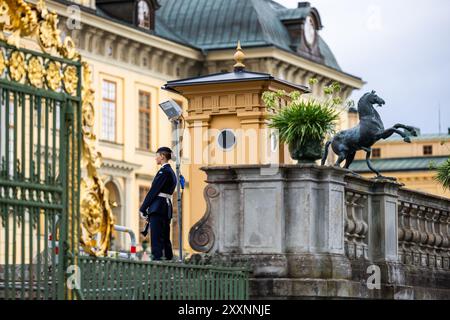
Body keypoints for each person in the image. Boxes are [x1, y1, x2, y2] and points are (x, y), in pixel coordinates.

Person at [139, 147, 177, 260]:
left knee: (156, 238)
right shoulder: (171, 172)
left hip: (158, 208)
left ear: (162, 156)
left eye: (157, 155)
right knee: (165, 237)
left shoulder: (164, 171)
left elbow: (153, 191)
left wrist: (143, 208)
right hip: (165, 207)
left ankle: (157, 262)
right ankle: (168, 261)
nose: (155, 158)